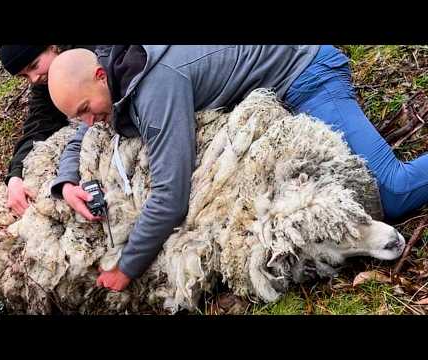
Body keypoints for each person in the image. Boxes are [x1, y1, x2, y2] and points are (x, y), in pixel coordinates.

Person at [47, 45, 428, 292]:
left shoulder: (156, 89)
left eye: (84, 110)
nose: (87, 121)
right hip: (271, 94)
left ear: (100, 77)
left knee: (392, 192)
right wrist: (66, 181)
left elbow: (170, 196)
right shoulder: (115, 69)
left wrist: (126, 268)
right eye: (76, 116)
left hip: (304, 74)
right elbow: (80, 135)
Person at [0, 45, 112, 216]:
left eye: (34, 66)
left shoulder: (101, 57)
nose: (34, 79)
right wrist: (15, 174)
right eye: (24, 76)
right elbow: (40, 123)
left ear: (54, 47)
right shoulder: (46, 82)